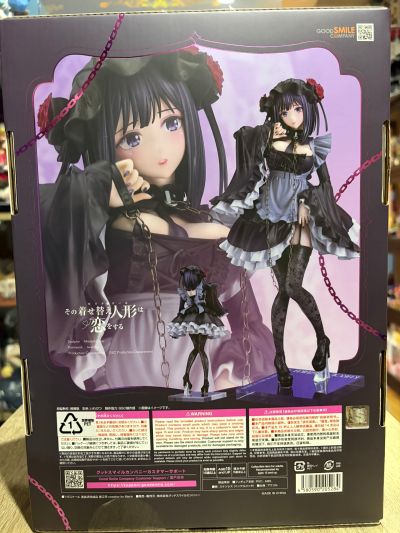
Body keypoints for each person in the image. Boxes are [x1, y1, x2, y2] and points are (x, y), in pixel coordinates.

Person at [38, 49, 276, 392]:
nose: (160, 149)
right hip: (127, 371)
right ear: (106, 144)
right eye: (132, 138)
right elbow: (41, 220)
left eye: (171, 123)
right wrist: (98, 189)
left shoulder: (216, 218)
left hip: (211, 373)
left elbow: (248, 320)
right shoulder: (95, 214)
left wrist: (235, 368)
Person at [211, 78, 360, 387]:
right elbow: (245, 144)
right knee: (284, 290)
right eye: (285, 111)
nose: (292, 116)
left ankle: (322, 340)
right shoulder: (268, 137)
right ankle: (280, 358)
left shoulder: (313, 147)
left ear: (307, 109)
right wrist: (268, 134)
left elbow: (325, 185)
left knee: (292, 285)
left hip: (300, 220)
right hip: (270, 219)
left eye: (297, 109)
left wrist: (310, 202)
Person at [168, 265, 228, 396]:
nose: (189, 289)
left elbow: (206, 303)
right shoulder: (185, 290)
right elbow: (181, 308)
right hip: (191, 317)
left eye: (192, 285)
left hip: (201, 317)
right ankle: (204, 382)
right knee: (199, 349)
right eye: (187, 285)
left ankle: (188, 377)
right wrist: (178, 324)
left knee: (198, 349)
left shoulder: (205, 288)